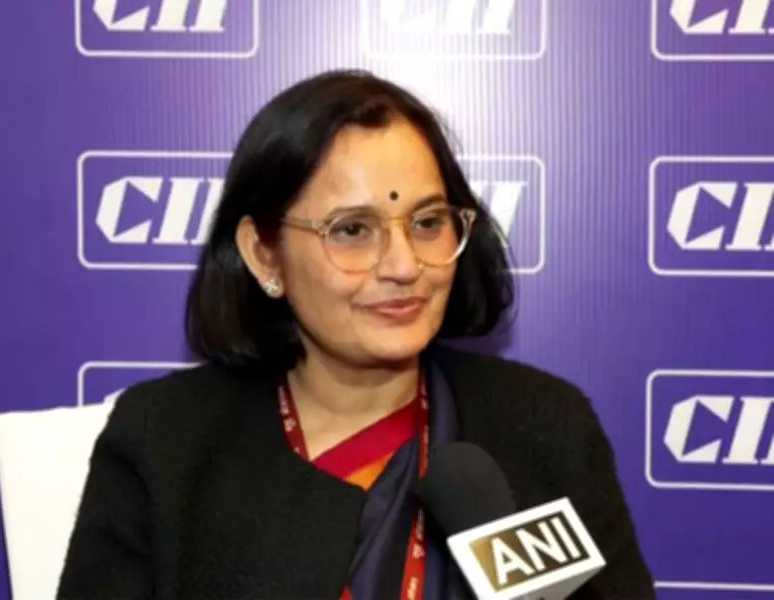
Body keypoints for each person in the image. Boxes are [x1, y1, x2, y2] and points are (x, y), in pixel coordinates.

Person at [57, 69, 655, 599]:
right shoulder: (166, 442)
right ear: (264, 254)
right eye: (351, 230)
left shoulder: (544, 427)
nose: (403, 265)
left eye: (427, 222)